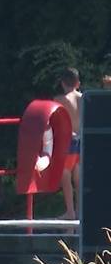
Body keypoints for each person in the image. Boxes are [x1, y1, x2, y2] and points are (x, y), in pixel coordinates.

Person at [53, 68, 82, 220]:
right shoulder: (83, 98)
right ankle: (79, 211)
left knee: (65, 176)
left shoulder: (60, 100)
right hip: (81, 139)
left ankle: (70, 212)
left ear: (62, 83)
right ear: (78, 83)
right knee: (78, 178)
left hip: (69, 141)